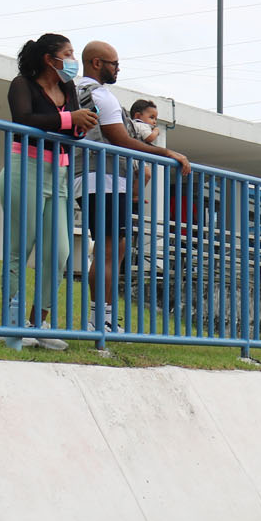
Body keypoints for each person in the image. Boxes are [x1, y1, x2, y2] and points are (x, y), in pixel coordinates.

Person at [75, 40, 191, 333]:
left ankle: (102, 317)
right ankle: (100, 319)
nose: (118, 69)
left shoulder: (76, 91)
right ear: (97, 63)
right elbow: (121, 140)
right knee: (112, 249)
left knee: (114, 247)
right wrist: (168, 153)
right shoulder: (101, 95)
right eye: (114, 63)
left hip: (90, 176)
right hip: (105, 178)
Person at [1, 33, 100, 351]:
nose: (73, 60)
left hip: (57, 175)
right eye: (69, 54)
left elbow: (67, 127)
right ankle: (10, 324)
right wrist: (70, 118)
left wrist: (79, 125)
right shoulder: (22, 83)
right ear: (49, 58)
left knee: (58, 251)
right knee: (19, 248)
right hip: (23, 169)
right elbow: (24, 118)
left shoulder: (68, 87)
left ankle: (36, 323)